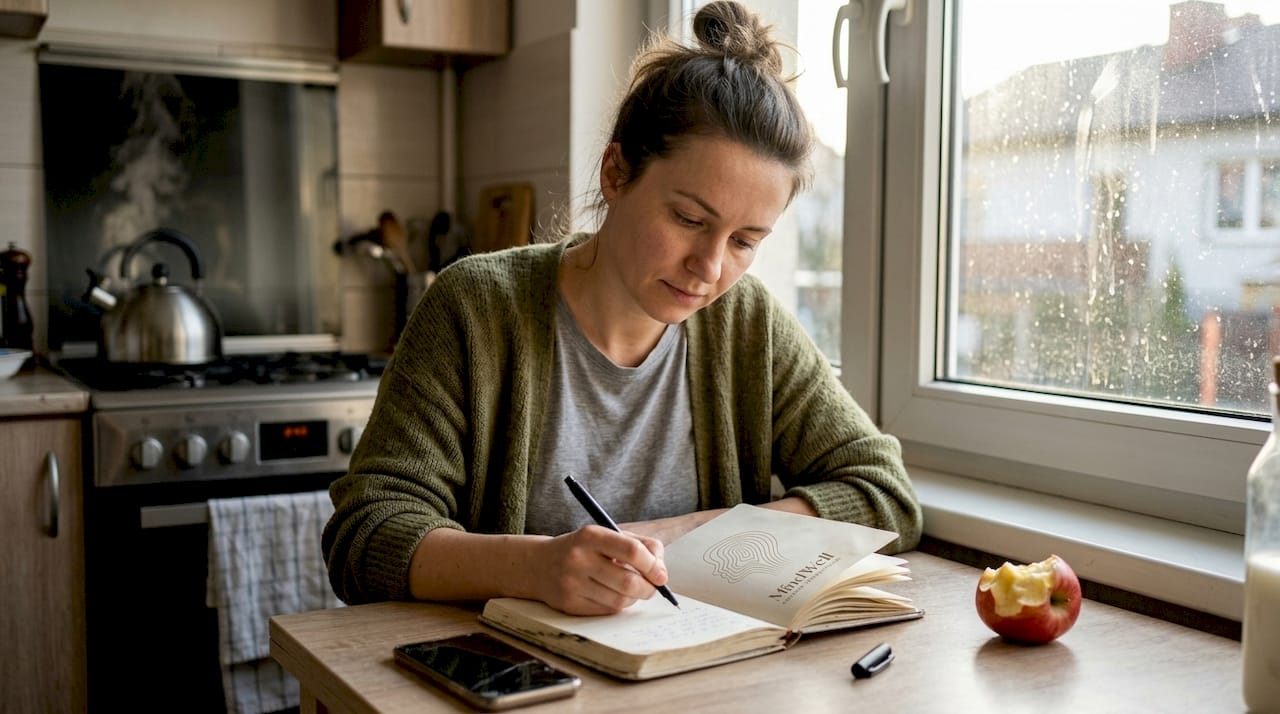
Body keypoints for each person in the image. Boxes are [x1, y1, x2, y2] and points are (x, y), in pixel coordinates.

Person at [323, 0, 922, 617]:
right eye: (688, 219)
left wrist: (686, 535)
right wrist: (536, 567)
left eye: (745, 242)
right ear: (615, 172)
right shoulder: (475, 309)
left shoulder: (747, 323)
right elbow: (363, 535)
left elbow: (884, 494)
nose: (711, 268)